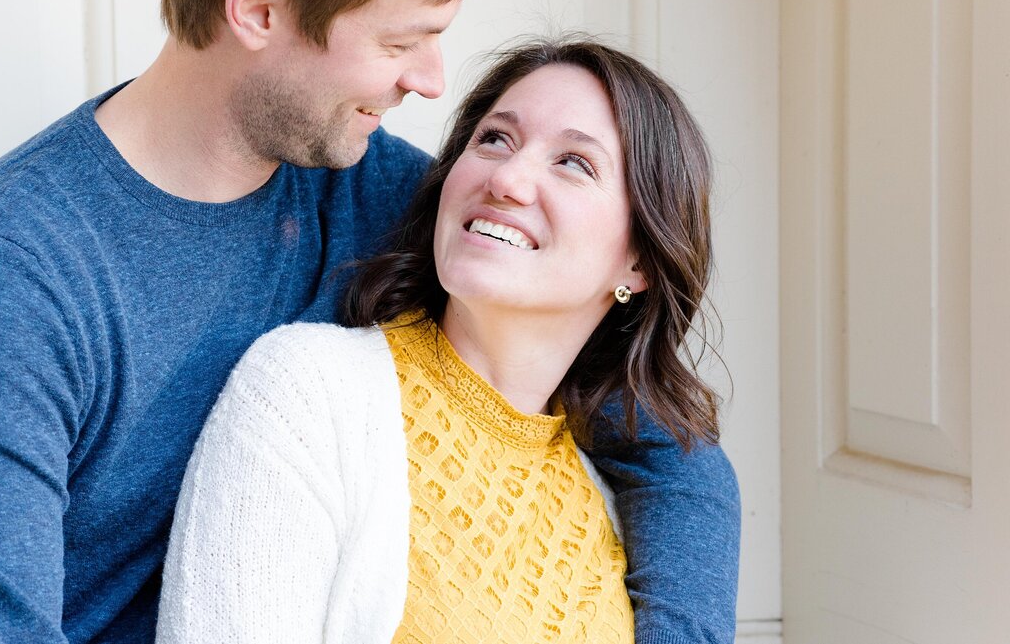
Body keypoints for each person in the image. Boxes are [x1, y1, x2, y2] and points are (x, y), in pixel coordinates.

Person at [0, 0, 738, 642]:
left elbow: (667, 442)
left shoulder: (395, 200)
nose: (431, 79)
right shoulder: (1, 271)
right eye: (401, 40)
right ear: (258, 6)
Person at [157, 39, 732, 643]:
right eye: (493, 139)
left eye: (573, 163)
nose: (507, 179)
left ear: (638, 262)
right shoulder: (308, 393)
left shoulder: (618, 502)